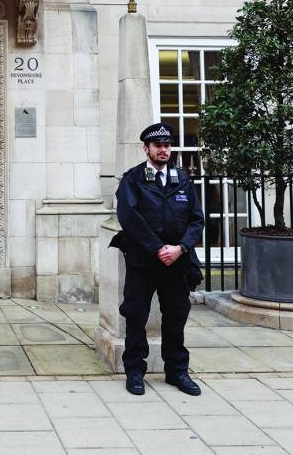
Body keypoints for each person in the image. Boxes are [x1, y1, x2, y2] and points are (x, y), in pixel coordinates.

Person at [112, 122, 204, 396]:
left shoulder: (182, 179)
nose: (163, 150)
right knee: (136, 315)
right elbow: (129, 218)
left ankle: (177, 371)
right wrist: (158, 248)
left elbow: (196, 220)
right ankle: (135, 372)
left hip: (176, 262)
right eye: (158, 146)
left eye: (167, 145)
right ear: (146, 149)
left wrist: (180, 248)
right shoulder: (133, 179)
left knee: (176, 317)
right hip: (143, 260)